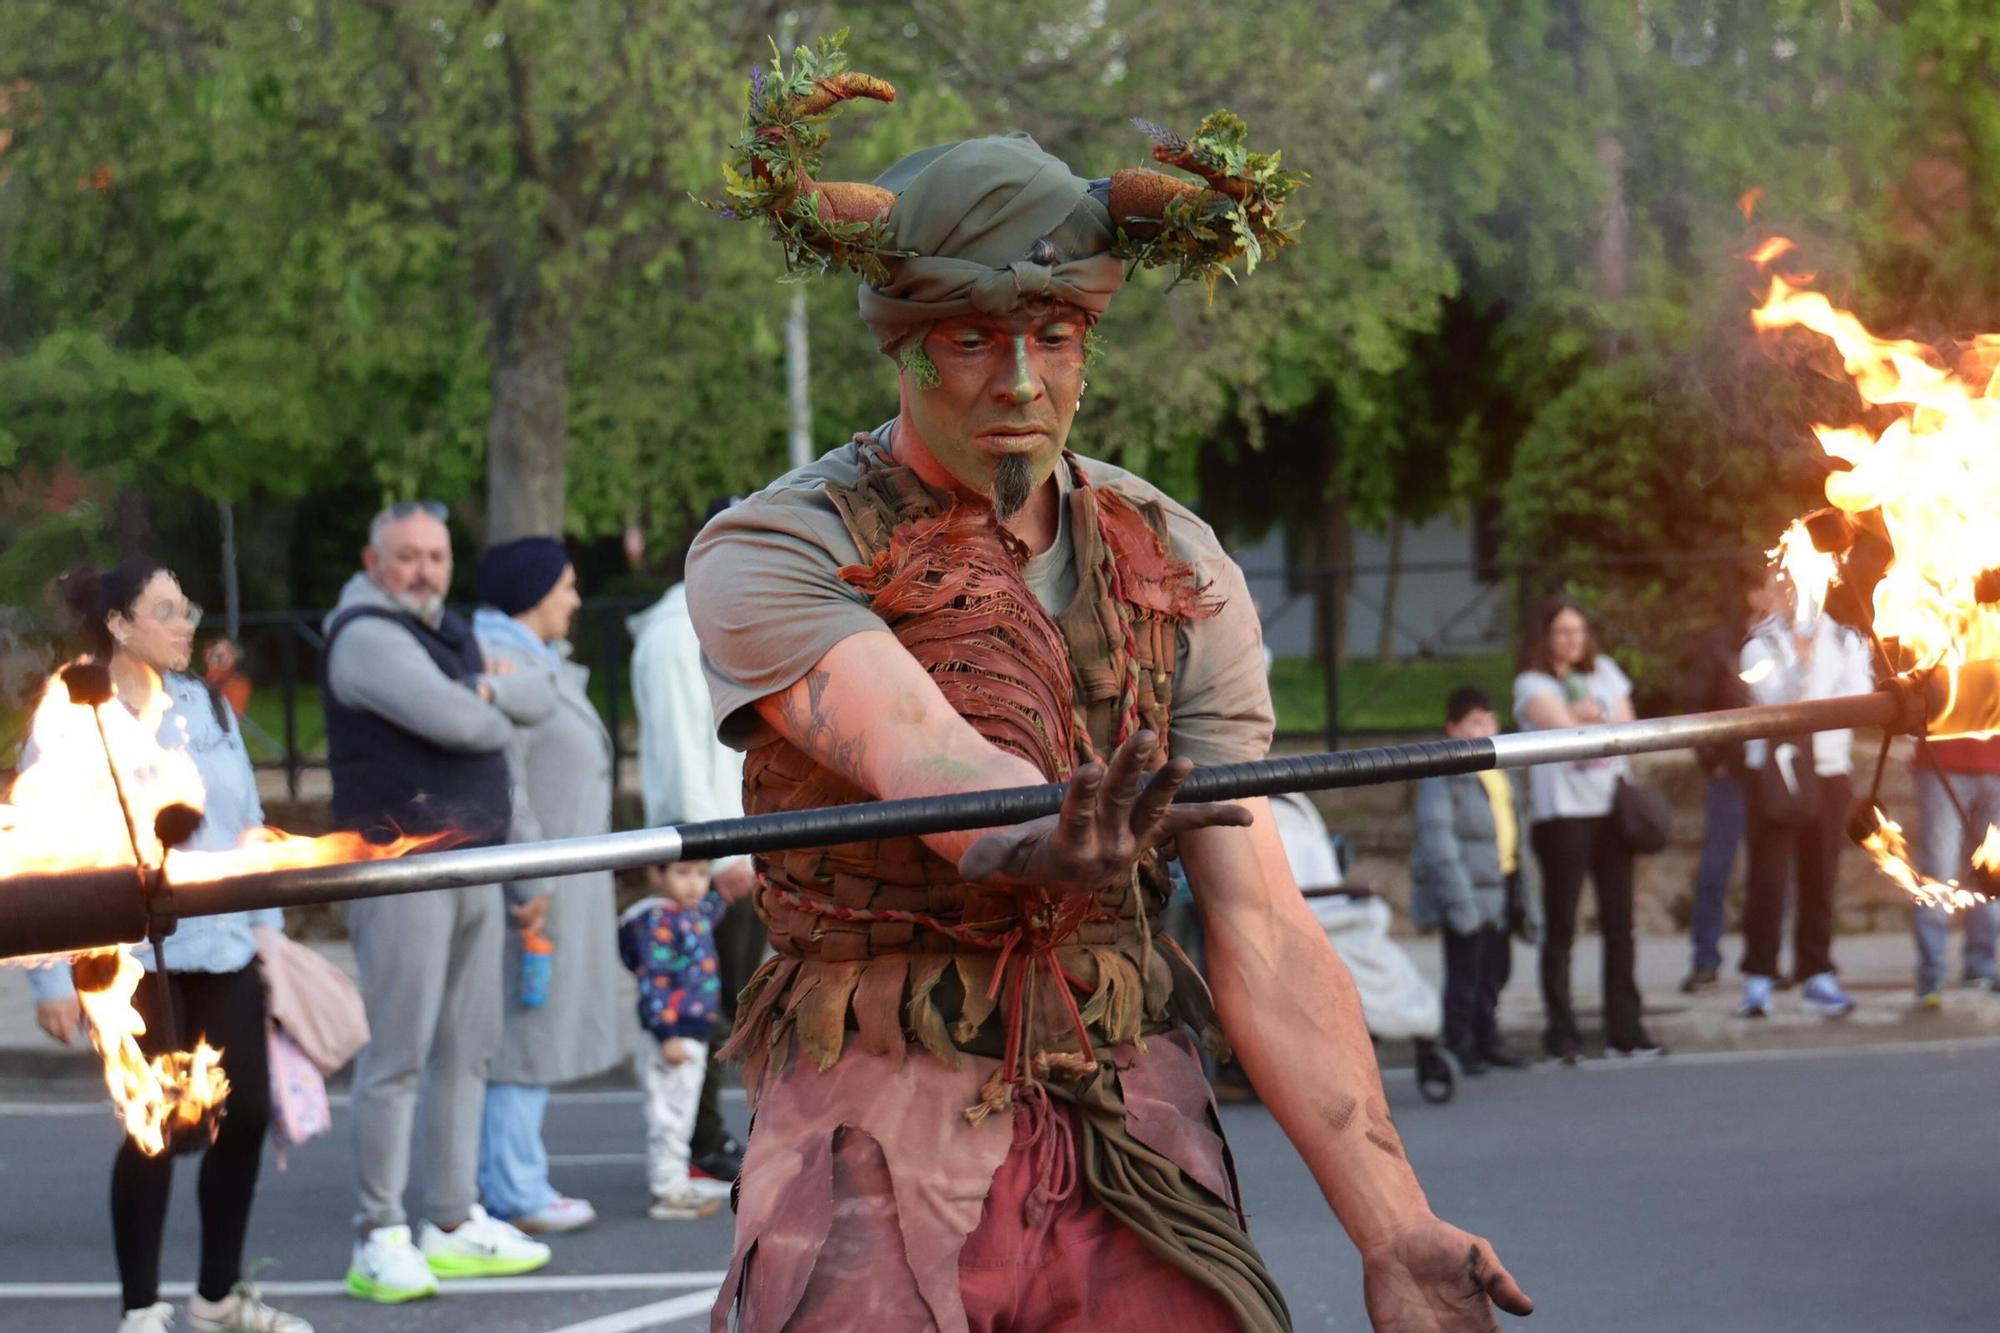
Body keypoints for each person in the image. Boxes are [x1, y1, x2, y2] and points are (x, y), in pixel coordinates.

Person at [689, 63, 1529, 1331]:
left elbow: (1260, 923)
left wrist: (1391, 1221)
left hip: (1125, 1102)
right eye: (971, 339)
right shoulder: (775, 548)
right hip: (876, 1117)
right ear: (905, 349)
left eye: (1054, 336)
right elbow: (918, 750)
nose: (1019, 380)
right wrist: (1029, 831)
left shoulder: (1171, 559)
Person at [26, 560, 308, 1333]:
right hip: (133, 962)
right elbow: (37, 854)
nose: (187, 621)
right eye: (166, 608)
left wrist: (268, 944)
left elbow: (247, 824)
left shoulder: (207, 705)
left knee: (244, 1112)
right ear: (119, 622)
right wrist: (50, 985)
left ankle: (218, 1296)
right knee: (157, 1128)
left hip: (222, 947)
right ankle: (141, 1308)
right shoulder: (74, 711)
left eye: (188, 607)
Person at [321, 501, 552, 1303]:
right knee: (399, 1056)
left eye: (437, 556)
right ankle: (377, 1232)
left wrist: (529, 877)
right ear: (373, 560)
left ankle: (450, 1222)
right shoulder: (365, 635)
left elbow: (544, 693)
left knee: (468, 1050)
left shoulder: (450, 633)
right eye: (408, 556)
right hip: (399, 870)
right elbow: (463, 724)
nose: (425, 569)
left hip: (471, 863)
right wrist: (490, 692)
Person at [472, 538, 626, 1233]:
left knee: (529, 1027)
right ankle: (515, 1187)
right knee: (523, 1033)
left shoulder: (532, 663)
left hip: (551, 882)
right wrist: (528, 877)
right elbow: (506, 783)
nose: (574, 597)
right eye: (564, 585)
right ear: (533, 593)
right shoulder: (504, 665)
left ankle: (511, 1178)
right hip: (534, 887)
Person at [628, 515, 758, 1191]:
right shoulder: (675, 635)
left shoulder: (705, 623)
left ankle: (704, 1135)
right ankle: (697, 1142)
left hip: (730, 851)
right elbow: (684, 757)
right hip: (711, 861)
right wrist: (720, 855)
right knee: (703, 1005)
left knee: (723, 1001)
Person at [1514, 597, 1660, 1063]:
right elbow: (1556, 726)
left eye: (1578, 631)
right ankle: (1561, 1033)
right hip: (1562, 815)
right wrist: (1596, 715)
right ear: (1545, 637)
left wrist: (1588, 713)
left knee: (1621, 925)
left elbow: (1628, 726)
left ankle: (1626, 1030)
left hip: (1611, 811)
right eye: (1562, 631)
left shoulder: (1606, 671)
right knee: (1562, 927)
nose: (1572, 640)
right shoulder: (1531, 682)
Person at [1736, 571, 1874, 1019]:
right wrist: (1801, 666)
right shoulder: (1761, 643)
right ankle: (1760, 976)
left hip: (1829, 769)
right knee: (1769, 877)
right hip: (1776, 770)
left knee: (1821, 874)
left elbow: (1858, 697)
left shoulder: (1846, 640)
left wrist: (1813, 668)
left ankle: (1816, 972)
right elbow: (1771, 700)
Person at [1410, 686, 1540, 1074]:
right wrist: (1459, 900)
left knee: (1496, 969)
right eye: (1474, 722)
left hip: (1502, 882)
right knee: (1465, 971)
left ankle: (1488, 1036)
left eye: (1489, 720)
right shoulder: (1443, 774)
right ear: (1453, 728)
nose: (1485, 727)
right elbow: (1437, 839)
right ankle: (1460, 1042)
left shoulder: (1500, 768)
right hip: (1466, 889)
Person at [1678, 567, 1780, 992]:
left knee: (1772, 872)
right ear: (1754, 593)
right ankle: (1705, 959)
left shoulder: (1787, 644)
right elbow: (1694, 701)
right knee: (1717, 870)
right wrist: (1711, 758)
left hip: (1775, 774)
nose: (1783, 595)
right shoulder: (1721, 645)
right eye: (1775, 587)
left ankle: (1765, 961)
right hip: (1732, 774)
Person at [617, 860, 728, 1221]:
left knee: (683, 1112)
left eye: (701, 874)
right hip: (673, 1033)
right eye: (682, 874)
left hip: (692, 1029)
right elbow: (655, 981)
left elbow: (713, 908)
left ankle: (676, 1180)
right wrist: (666, 1034)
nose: (694, 884)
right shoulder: (658, 921)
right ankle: (668, 1192)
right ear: (656, 874)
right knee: (670, 1116)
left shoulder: (689, 913)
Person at [1910, 736, 2000, 1004]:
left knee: (1991, 873)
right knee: (1938, 870)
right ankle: (1931, 973)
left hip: (1993, 765)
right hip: (1942, 761)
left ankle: (1980, 966)